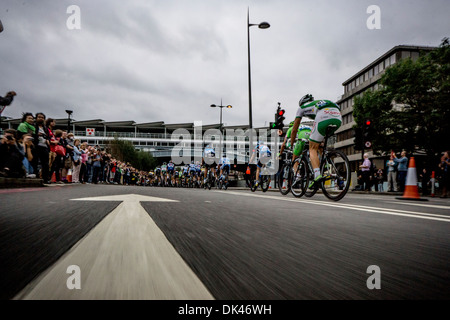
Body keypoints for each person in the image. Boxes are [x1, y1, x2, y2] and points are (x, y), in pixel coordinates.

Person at [290, 94, 342, 189]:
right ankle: (325, 162)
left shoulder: (302, 107)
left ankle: (317, 175)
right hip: (337, 116)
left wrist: (292, 143)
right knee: (319, 143)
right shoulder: (318, 103)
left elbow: (294, 129)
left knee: (312, 147)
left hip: (323, 115)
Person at [33, 112, 50, 183]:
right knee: (35, 162)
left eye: (42, 117)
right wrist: (37, 134)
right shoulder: (33, 126)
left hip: (44, 146)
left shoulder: (45, 128)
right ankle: (36, 176)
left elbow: (48, 136)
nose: (41, 118)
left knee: (45, 163)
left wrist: (47, 140)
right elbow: (31, 134)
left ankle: (45, 178)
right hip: (37, 146)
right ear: (36, 118)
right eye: (39, 117)